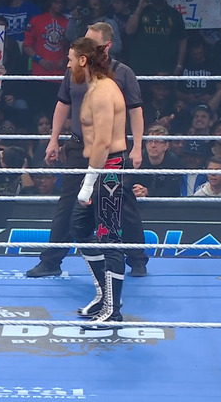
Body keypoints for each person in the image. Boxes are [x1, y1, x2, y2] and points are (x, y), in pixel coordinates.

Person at [26, 22, 147, 278]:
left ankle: (137, 259)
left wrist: (137, 146)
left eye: (92, 44)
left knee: (122, 202)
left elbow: (135, 110)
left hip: (112, 152)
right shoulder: (75, 72)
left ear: (107, 45)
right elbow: (63, 103)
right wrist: (53, 139)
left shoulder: (121, 74)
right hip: (79, 147)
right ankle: (51, 261)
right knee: (68, 203)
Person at [67, 36, 128, 326]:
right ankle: (104, 296)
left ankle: (113, 310)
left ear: (83, 61)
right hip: (98, 168)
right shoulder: (94, 88)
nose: (67, 66)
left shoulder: (104, 91)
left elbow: (103, 142)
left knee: (109, 237)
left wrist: (89, 184)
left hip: (108, 169)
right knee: (80, 227)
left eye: (70, 60)